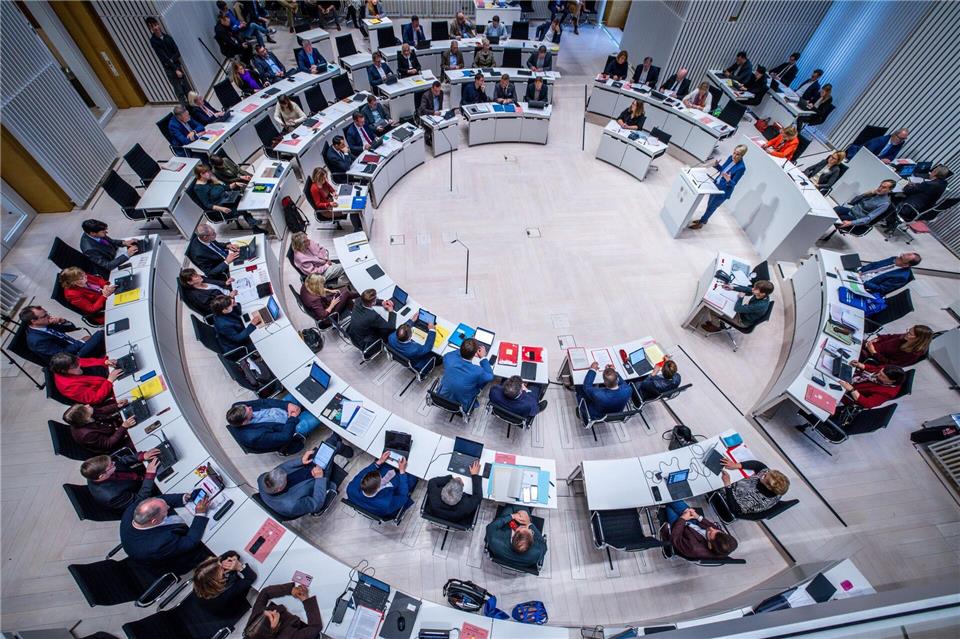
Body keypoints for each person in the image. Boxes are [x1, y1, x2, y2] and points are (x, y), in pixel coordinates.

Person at [120, 485, 211, 575]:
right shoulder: (158, 545)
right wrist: (200, 514)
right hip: (177, 559)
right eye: (165, 510)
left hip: (171, 533)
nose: (168, 506)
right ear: (154, 521)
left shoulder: (133, 509)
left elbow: (159, 500)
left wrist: (184, 498)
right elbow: (190, 541)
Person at [258, 434, 352, 518]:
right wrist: (320, 479)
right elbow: (316, 504)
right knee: (329, 450)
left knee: (326, 449)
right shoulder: (292, 505)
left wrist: (301, 461)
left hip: (305, 468)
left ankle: (337, 443)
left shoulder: (262, 479)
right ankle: (342, 448)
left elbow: (283, 468)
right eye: (285, 478)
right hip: (317, 482)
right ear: (279, 489)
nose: (286, 473)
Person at [688, 144, 747, 229]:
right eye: (734, 152)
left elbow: (734, 183)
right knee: (709, 204)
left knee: (711, 207)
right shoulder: (730, 158)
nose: (734, 155)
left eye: (737, 154)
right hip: (716, 185)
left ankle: (701, 223)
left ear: (742, 155)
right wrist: (717, 165)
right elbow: (723, 170)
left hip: (723, 191)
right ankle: (704, 219)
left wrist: (728, 180)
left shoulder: (741, 168)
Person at [192, 163, 266, 231]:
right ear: (201, 174)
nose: (210, 173)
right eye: (207, 172)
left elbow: (223, 188)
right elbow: (207, 204)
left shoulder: (208, 180)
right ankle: (255, 227)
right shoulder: (199, 188)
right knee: (241, 208)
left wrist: (235, 184)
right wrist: (222, 208)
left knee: (242, 199)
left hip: (226, 200)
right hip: (220, 209)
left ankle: (253, 224)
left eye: (209, 171)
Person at [81, 449, 160, 511]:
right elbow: (139, 501)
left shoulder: (100, 469)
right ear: (102, 476)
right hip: (145, 493)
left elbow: (121, 461)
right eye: (111, 465)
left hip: (140, 478)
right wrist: (149, 475)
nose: (114, 463)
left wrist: (142, 456)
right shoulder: (112, 496)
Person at [20, 306, 105, 363]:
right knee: (100, 334)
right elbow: (62, 354)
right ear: (33, 321)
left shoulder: (46, 324)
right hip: (73, 358)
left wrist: (63, 321)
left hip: (76, 348)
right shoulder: (37, 341)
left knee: (101, 336)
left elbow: (71, 328)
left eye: (47, 313)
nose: (49, 317)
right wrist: (81, 341)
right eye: (44, 316)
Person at [347, 451, 415, 516]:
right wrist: (402, 472)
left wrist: (379, 462)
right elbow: (403, 496)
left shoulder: (351, 488)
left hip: (369, 501)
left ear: (362, 480)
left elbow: (362, 474)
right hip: (391, 495)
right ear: (379, 487)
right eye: (380, 477)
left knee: (383, 461)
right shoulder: (387, 503)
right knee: (412, 475)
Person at [243, 583, 322, 639]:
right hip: (299, 625)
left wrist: (289, 590)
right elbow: (316, 627)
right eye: (272, 616)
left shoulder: (254, 624)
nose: (273, 611)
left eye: (268, 612)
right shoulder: (289, 636)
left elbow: (265, 592)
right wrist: (306, 600)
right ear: (272, 629)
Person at [227, 394, 321, 441]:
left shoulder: (238, 406)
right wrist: (292, 418)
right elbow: (284, 436)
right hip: (289, 426)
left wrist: (287, 405)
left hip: (280, 409)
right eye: (249, 411)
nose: (250, 407)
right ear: (244, 422)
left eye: (247, 407)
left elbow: (264, 402)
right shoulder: (255, 436)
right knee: (318, 415)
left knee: (304, 389)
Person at [664, 501, 738, 560]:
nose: (711, 528)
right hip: (694, 522)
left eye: (709, 533)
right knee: (674, 500)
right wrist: (697, 517)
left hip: (680, 529)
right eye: (717, 531)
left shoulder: (693, 549)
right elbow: (713, 527)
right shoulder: (729, 542)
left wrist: (683, 518)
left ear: (709, 544)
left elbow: (675, 538)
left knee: (668, 503)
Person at [720, 457, 790, 518]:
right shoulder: (773, 483)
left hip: (727, 498)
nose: (764, 473)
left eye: (764, 476)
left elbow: (735, 509)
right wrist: (735, 465)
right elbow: (758, 465)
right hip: (735, 483)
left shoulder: (756, 500)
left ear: (768, 487)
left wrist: (727, 484)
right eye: (767, 473)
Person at [192, 552, 257, 616]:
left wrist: (233, 558)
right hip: (233, 607)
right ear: (218, 581)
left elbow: (231, 553)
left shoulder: (201, 577)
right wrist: (239, 567)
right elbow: (251, 577)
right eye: (222, 569)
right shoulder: (223, 596)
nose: (222, 565)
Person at [440, 338, 494, 411]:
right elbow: (490, 376)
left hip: (442, 397)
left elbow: (450, 355)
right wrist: (483, 357)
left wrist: (465, 349)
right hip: (462, 404)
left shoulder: (448, 358)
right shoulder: (478, 371)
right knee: (482, 380)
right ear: (475, 353)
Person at [701, 279, 774, 333]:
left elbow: (737, 308)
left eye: (755, 289)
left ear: (763, 293)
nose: (753, 289)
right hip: (744, 313)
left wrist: (741, 298)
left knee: (713, 309)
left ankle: (716, 326)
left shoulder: (760, 305)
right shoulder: (762, 295)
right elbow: (748, 289)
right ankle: (717, 322)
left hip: (742, 320)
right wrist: (733, 288)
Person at [50, 352, 120, 407]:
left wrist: (104, 362)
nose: (79, 364)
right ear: (65, 371)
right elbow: (95, 399)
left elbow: (88, 361)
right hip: (107, 389)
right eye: (75, 365)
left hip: (108, 374)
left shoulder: (72, 363)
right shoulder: (69, 387)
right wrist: (110, 381)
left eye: (77, 361)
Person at [146, 17, 190, 103]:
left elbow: (177, 52)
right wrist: (175, 69)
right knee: (179, 91)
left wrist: (172, 61)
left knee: (187, 89)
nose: (155, 28)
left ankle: (195, 108)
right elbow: (164, 58)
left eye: (155, 25)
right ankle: (186, 111)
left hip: (177, 65)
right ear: (150, 29)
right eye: (152, 27)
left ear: (158, 24)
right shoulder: (153, 41)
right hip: (170, 69)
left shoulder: (168, 37)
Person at [64, 402, 135, 454]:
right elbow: (108, 443)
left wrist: (117, 405)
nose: (87, 405)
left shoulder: (82, 418)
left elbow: (101, 410)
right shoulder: (87, 435)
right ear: (86, 417)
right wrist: (123, 427)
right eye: (85, 408)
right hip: (116, 443)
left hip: (114, 427)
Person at [425, 461, 482, 525]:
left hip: (437, 514)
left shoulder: (434, 495)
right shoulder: (465, 507)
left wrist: (450, 478)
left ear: (443, 489)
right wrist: (475, 475)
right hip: (455, 519)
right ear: (460, 497)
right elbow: (478, 496)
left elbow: (432, 481)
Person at [840, 363, 905, 409]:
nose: (877, 375)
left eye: (882, 376)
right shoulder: (887, 369)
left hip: (847, 394)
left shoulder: (888, 393)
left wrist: (852, 390)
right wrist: (861, 365)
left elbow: (867, 403)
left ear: (892, 381)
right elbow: (875, 369)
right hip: (852, 379)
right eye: (880, 372)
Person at [863, 325, 932, 367]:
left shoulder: (912, 354)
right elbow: (890, 336)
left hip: (871, 357)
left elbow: (889, 364)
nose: (906, 333)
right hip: (870, 346)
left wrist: (873, 352)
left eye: (910, 333)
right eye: (908, 330)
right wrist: (878, 338)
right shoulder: (906, 336)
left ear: (917, 339)